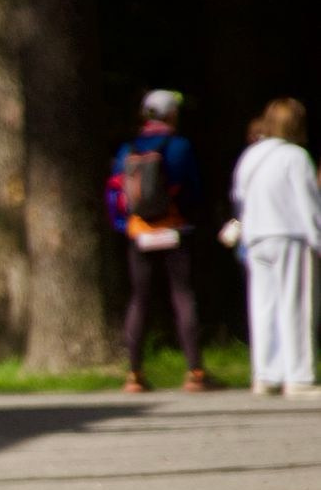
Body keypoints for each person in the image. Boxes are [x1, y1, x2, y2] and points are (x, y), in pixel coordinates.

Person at [106, 88, 210, 393]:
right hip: (174, 229)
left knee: (139, 299)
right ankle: (195, 372)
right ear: (171, 115)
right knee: (182, 295)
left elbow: (116, 190)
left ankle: (134, 374)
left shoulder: (128, 149)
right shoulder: (180, 146)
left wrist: (125, 224)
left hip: (139, 232)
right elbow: (193, 189)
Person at [230, 98, 321, 396]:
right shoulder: (296, 157)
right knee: (296, 305)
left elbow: (239, 196)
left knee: (263, 306)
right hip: (290, 235)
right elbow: (308, 205)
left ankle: (266, 374)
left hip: (257, 237)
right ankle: (298, 376)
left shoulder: (251, 156)